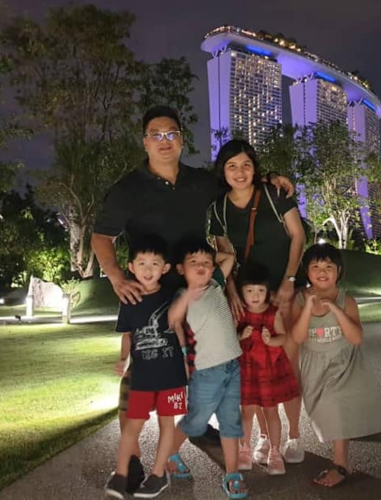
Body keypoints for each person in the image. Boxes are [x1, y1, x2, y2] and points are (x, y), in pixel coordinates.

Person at [92, 107, 293, 481]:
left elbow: (238, 180)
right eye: (156, 134)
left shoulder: (200, 182)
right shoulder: (127, 189)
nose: (165, 141)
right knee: (139, 373)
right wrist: (118, 277)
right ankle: (133, 452)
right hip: (151, 296)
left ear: (182, 139)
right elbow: (101, 236)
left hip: (198, 293)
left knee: (193, 373)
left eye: (172, 133)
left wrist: (269, 178)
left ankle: (172, 451)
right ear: (145, 142)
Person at [210, 139, 306, 465]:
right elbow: (226, 254)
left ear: (256, 168)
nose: (240, 172)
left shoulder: (275, 195)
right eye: (232, 166)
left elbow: (298, 236)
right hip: (249, 301)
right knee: (254, 369)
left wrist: (290, 280)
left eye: (246, 164)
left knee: (286, 368)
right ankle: (266, 437)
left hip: (282, 292)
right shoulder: (219, 208)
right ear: (222, 171)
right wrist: (232, 290)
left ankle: (293, 436)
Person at [290, 243, 381, 488]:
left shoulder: (347, 300)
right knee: (320, 411)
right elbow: (298, 337)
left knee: (336, 408)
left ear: (338, 271)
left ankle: (341, 465)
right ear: (307, 271)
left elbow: (356, 338)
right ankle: (341, 462)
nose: (322, 271)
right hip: (313, 364)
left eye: (329, 266)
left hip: (344, 363)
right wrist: (309, 309)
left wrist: (335, 308)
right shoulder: (300, 299)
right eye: (316, 266)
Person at [105, 236, 188, 499]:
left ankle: (158, 474)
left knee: (167, 423)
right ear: (131, 267)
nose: (148, 269)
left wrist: (186, 362)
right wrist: (123, 360)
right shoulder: (128, 299)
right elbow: (128, 335)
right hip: (141, 374)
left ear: (165, 268)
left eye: (155, 263)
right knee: (133, 424)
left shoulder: (171, 295)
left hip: (171, 373)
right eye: (142, 263)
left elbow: (179, 329)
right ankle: (120, 475)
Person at [165, 239, 248, 499]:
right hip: (206, 372)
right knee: (196, 422)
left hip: (232, 366)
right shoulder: (182, 296)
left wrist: (211, 259)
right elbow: (172, 318)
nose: (201, 267)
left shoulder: (216, 283)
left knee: (231, 422)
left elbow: (229, 257)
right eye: (194, 263)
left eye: (206, 263)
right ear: (180, 269)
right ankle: (168, 454)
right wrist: (190, 289)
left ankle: (232, 474)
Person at [234, 264, 300, 476]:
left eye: (260, 291)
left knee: (272, 411)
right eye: (250, 291)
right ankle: (244, 449)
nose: (255, 296)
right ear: (242, 292)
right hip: (247, 370)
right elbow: (229, 339)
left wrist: (271, 340)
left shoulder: (273, 313)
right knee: (247, 412)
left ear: (267, 291)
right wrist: (239, 336)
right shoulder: (240, 312)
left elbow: (283, 336)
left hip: (268, 368)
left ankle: (274, 451)